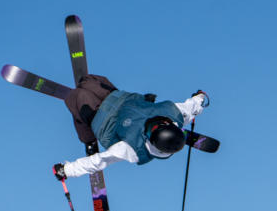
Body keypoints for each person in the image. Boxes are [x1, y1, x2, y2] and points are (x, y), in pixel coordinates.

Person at [53, 73, 209, 180]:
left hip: (102, 118)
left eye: (150, 131)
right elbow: (192, 106)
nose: (152, 126)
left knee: (77, 96)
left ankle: (87, 138)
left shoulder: (132, 149)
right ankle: (84, 91)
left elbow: (100, 161)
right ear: (167, 122)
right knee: (87, 80)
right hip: (118, 99)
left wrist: (67, 170)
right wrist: (200, 97)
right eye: (157, 124)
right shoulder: (175, 114)